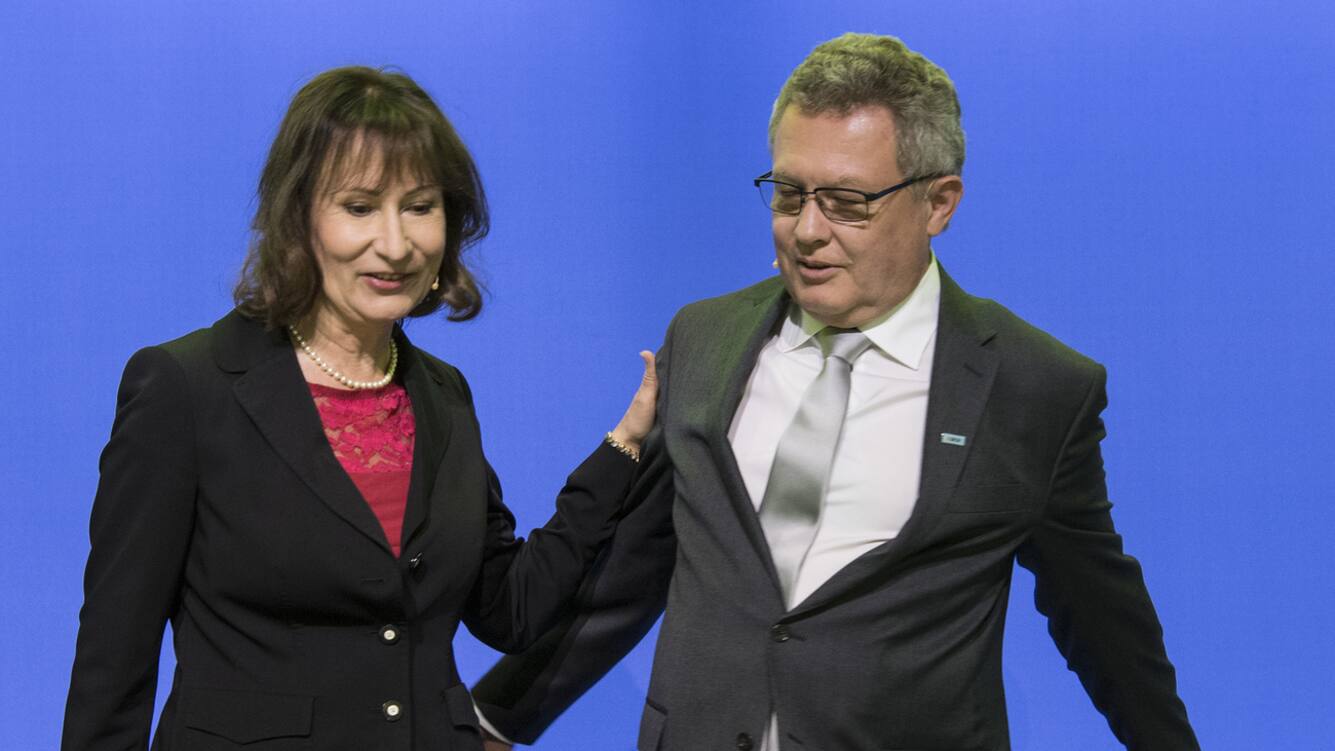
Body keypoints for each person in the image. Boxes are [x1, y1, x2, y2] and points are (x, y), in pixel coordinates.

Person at [471, 33, 1199, 751]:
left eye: (847, 201)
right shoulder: (703, 337)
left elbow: (1099, 617)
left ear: (939, 203)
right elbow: (631, 569)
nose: (807, 231)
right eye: (789, 194)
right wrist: (494, 720)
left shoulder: (1034, 387)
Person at [61, 66, 657, 751]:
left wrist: (624, 446)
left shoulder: (444, 394)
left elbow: (508, 608)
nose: (396, 245)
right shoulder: (186, 388)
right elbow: (114, 658)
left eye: (420, 206)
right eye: (360, 206)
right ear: (298, 217)